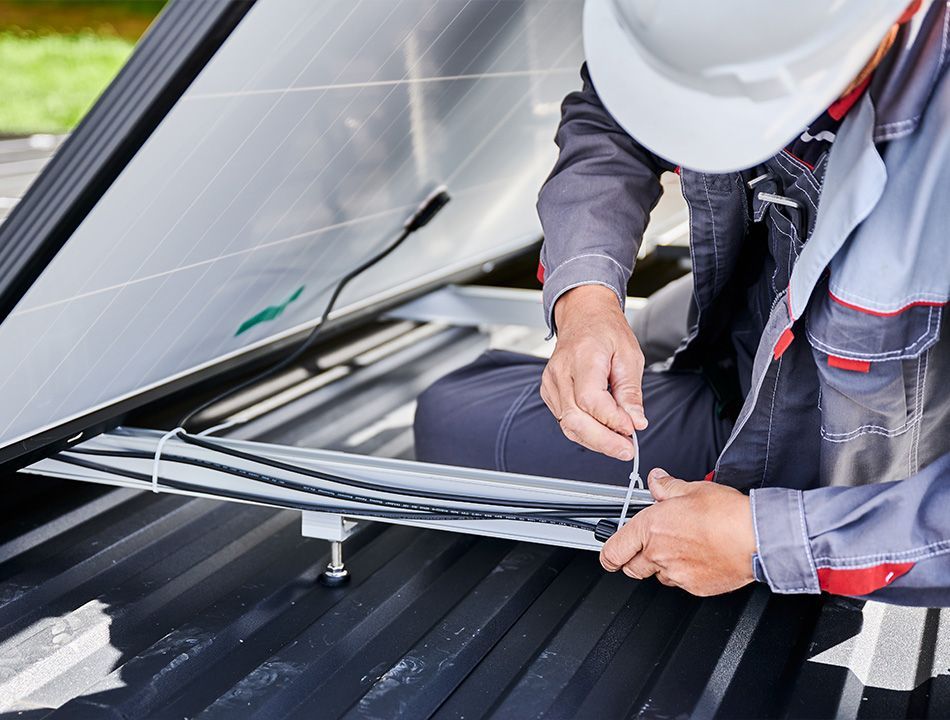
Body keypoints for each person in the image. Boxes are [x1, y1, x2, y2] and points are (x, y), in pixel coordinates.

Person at [414, 0, 950, 606]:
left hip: (838, 486)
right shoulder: (688, 28)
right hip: (738, 346)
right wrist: (586, 301)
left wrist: (770, 539)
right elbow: (613, 117)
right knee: (647, 329)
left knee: (448, 418)